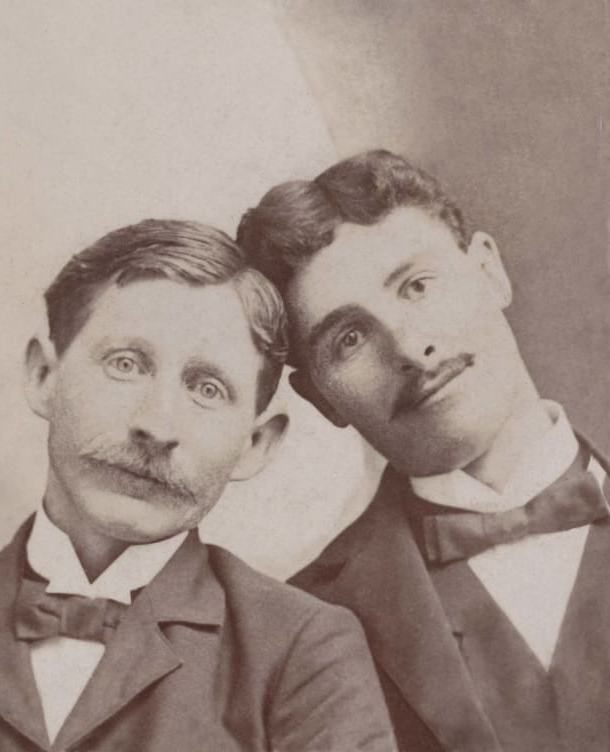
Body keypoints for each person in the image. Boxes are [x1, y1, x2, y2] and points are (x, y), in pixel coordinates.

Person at [0, 219, 397, 752]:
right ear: (43, 377)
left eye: (208, 389)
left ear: (255, 444)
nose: (157, 425)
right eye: (125, 364)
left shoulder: (301, 653)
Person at [237, 150, 610, 752]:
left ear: (489, 271)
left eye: (416, 286)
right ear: (321, 399)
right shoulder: (296, 630)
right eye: (349, 338)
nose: (410, 349)